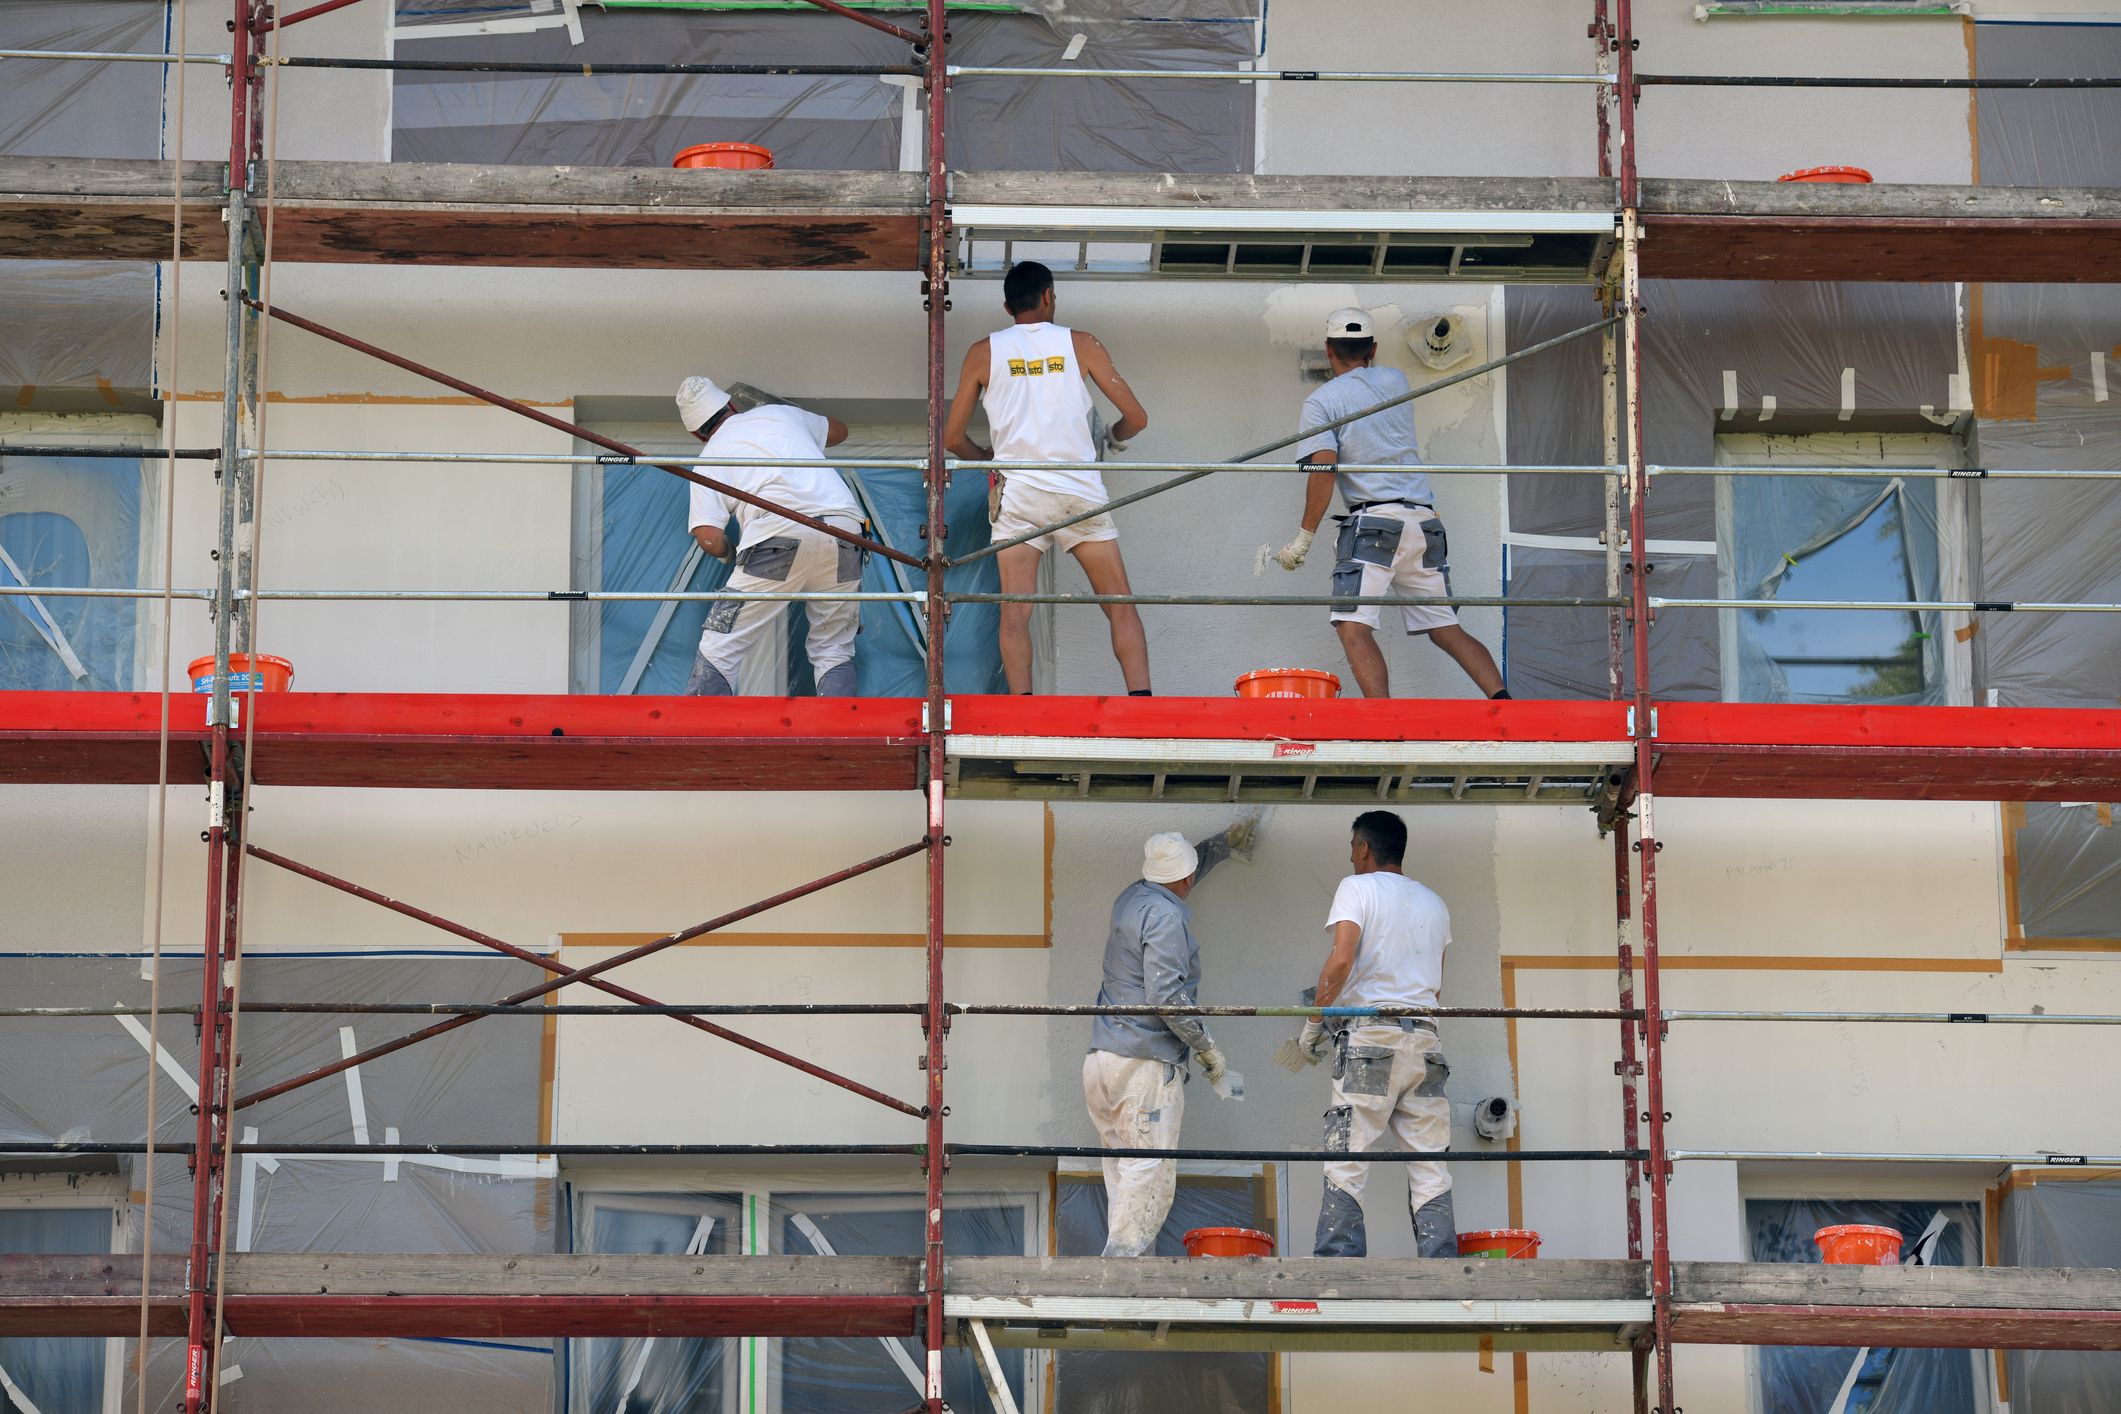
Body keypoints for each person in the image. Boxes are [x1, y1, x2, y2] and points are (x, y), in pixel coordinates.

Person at [1267, 308, 1509, 700]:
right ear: (1374, 348)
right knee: (1445, 627)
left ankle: (1381, 725)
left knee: (1352, 626)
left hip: (1376, 524)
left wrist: (1304, 538)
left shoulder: (1321, 401)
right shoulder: (1395, 380)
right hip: (1423, 521)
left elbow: (1323, 470)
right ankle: (1505, 703)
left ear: (1328, 349)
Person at [944, 260, 1153, 695]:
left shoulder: (983, 352)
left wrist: (986, 457)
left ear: (1007, 307)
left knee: (1015, 612)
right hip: (1078, 490)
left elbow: (951, 438)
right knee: (1120, 605)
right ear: (1049, 296)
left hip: (1018, 495)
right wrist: (1111, 438)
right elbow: (1136, 418)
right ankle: (1142, 702)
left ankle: (1021, 709)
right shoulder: (1081, 344)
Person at [1273, 810, 1458, 1258]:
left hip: (1372, 1042)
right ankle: (1441, 1269)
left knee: (1348, 1154)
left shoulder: (1356, 887)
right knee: (1431, 1163)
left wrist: (1315, 1023)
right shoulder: (1434, 902)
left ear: (1363, 847)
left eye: (1352, 845)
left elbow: (1340, 962)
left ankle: (1339, 1265)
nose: (1351, 854)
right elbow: (1435, 984)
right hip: (1426, 1042)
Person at [1083, 823, 1253, 1257]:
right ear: (1186, 879)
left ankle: (1126, 1262)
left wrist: (1219, 846)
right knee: (1149, 1170)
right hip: (1144, 1065)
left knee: (1124, 1173)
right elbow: (1166, 996)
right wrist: (1206, 1047)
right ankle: (1122, 1268)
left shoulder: (1132, 898)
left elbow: (1174, 873)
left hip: (1104, 1060)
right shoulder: (1167, 916)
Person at [675, 375, 863, 698]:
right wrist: (797, 421)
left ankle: (700, 733)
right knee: (834, 646)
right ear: (730, 404)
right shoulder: (781, 415)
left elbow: (709, 537)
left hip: (778, 536)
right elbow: (840, 431)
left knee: (721, 644)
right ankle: (841, 734)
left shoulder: (709, 457)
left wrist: (730, 555)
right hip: (845, 532)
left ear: (696, 433)